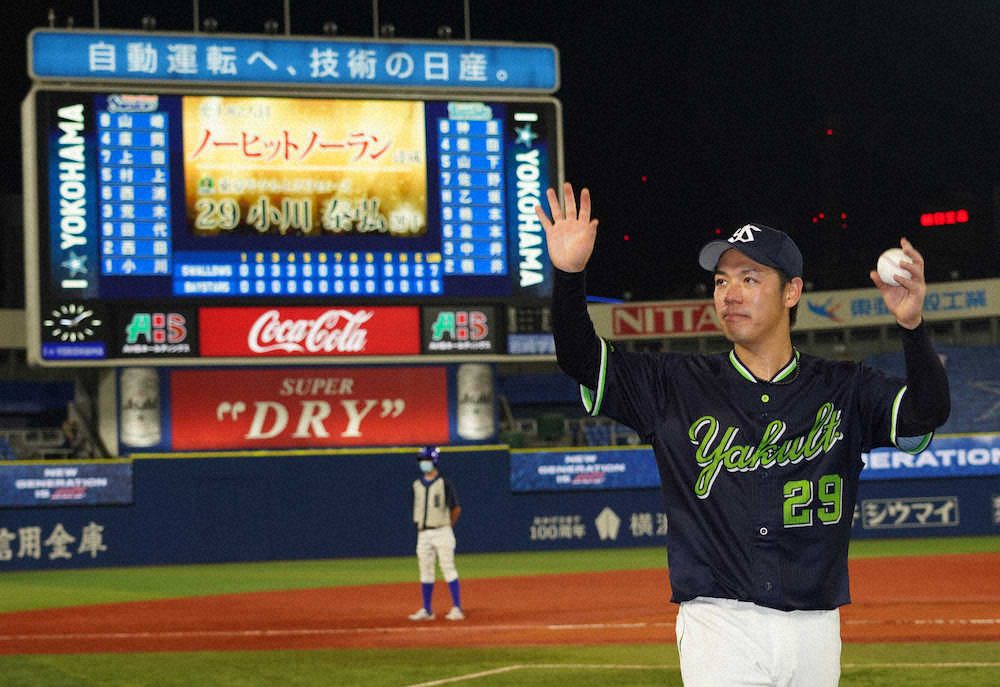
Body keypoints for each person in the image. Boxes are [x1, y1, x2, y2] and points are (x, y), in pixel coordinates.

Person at [534, 183, 949, 687]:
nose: (729, 293)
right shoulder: (673, 385)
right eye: (720, 281)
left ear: (791, 291)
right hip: (718, 625)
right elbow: (579, 358)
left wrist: (912, 325)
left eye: (749, 278)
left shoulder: (845, 388)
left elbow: (927, 412)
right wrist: (569, 274)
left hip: (816, 623)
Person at [408, 446, 465, 621]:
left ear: (434, 461)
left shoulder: (444, 483)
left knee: (448, 568)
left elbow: (456, 508)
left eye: (426, 460)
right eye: (421, 460)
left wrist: (447, 526)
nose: (423, 463)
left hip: (442, 530)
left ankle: (457, 608)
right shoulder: (416, 485)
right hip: (423, 533)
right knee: (425, 570)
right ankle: (427, 610)